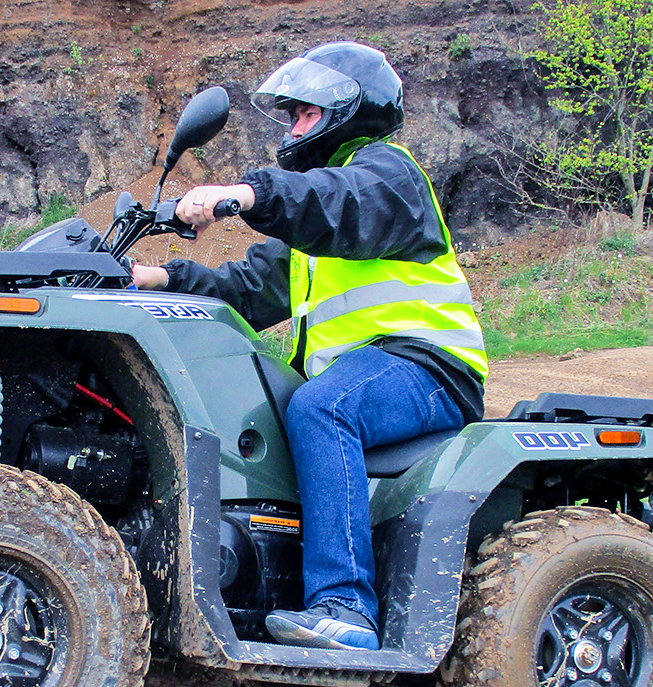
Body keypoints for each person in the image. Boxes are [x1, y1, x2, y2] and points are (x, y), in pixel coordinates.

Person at [131, 42, 488, 650]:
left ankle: (346, 607)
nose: (293, 127)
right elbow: (246, 288)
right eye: (290, 115)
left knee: (322, 408)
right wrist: (159, 279)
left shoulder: (387, 176)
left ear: (346, 108)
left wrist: (247, 194)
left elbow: (336, 202)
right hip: (370, 370)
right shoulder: (310, 230)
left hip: (428, 366)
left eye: (303, 114)